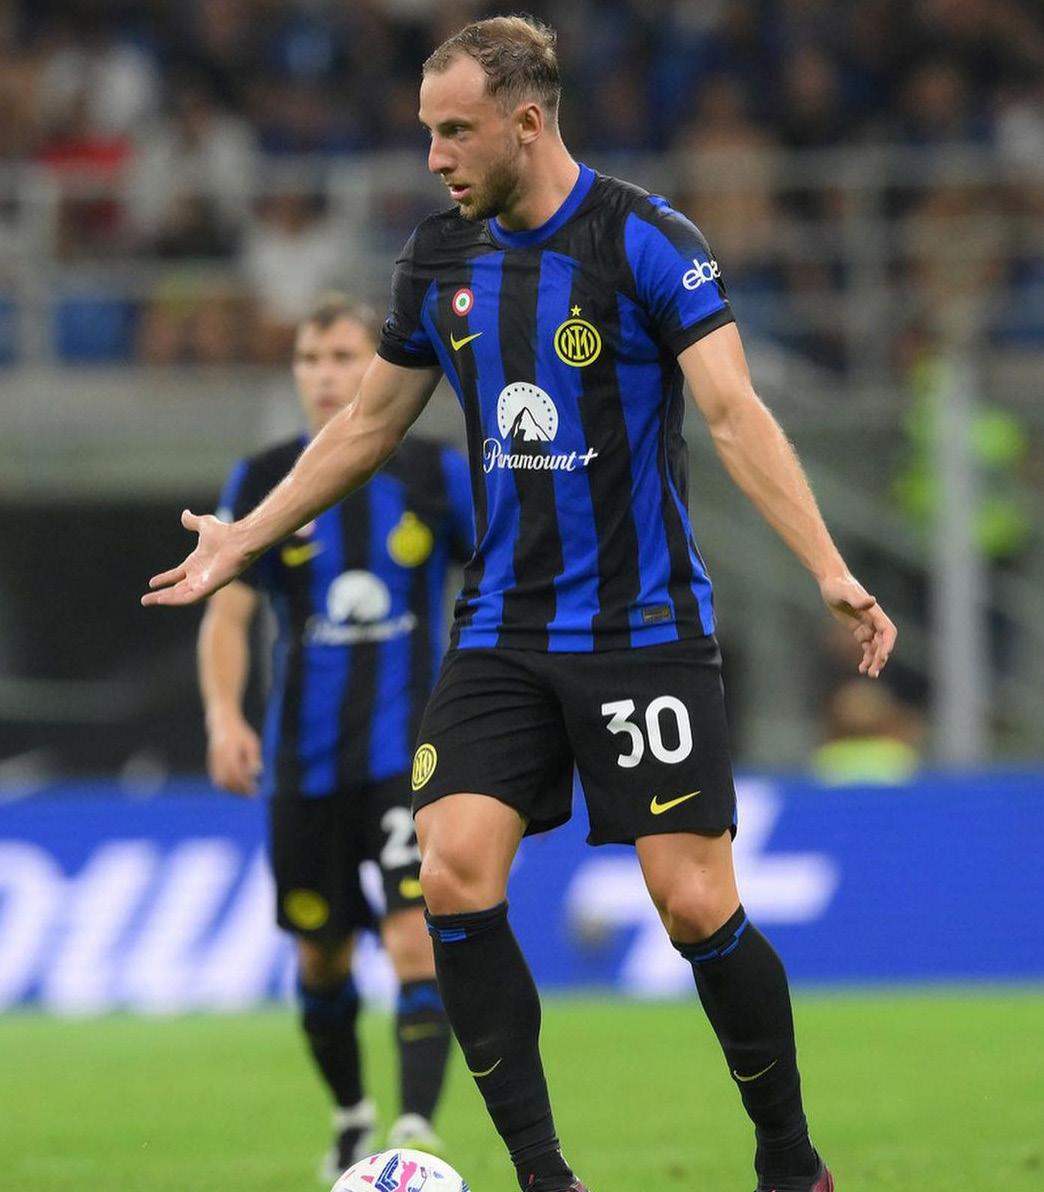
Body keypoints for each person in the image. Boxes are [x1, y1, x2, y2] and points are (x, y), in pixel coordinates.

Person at [146, 18, 896, 1192]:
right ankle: (546, 1177)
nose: (436, 156)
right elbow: (367, 425)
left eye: (456, 131)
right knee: (450, 870)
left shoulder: (647, 240)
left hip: (642, 628)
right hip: (503, 628)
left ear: (527, 121)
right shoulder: (438, 258)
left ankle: (791, 1162)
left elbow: (734, 413)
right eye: (427, 132)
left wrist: (827, 566)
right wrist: (249, 533)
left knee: (692, 902)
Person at [196, 293, 472, 1180]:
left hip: (410, 752)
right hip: (303, 760)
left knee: (414, 936)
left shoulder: (434, 472)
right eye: (310, 359)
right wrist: (224, 715)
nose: (325, 375)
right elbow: (229, 612)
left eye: (344, 357)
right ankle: (353, 1115)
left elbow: (503, 570)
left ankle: (416, 1131)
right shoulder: (264, 478)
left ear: (377, 363)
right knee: (321, 954)